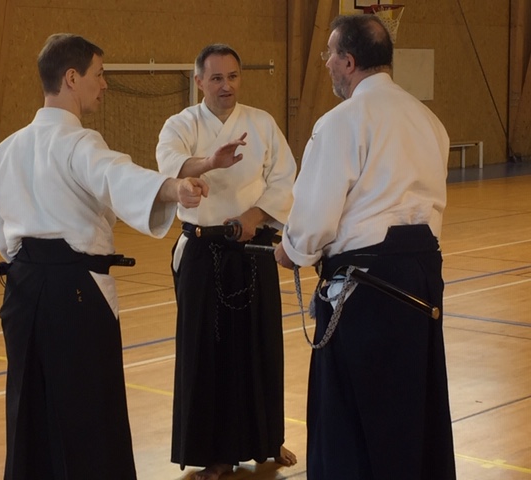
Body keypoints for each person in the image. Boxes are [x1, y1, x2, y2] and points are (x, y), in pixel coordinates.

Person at [0, 33, 222, 480]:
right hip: (75, 292)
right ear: (72, 78)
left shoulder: (1, 154)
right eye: (99, 74)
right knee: (89, 410)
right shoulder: (77, 143)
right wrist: (173, 188)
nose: (105, 84)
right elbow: (116, 176)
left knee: (29, 404)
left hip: (22, 290)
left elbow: (2, 236)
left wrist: (32, 269)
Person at [275, 14, 456, 480]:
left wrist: (291, 250)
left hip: (364, 288)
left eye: (330, 55)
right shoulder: (429, 121)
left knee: (351, 417)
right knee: (411, 406)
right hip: (422, 279)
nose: (327, 64)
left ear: (349, 61)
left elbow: (315, 215)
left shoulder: (341, 122)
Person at [156, 43, 298, 480]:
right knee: (208, 353)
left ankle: (266, 439)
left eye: (233, 76)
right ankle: (215, 452)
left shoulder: (262, 123)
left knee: (260, 346)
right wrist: (208, 163)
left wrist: (254, 217)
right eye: (216, 78)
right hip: (203, 251)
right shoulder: (181, 124)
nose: (226, 86)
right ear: (199, 81)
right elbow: (170, 165)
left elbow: (284, 179)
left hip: (252, 248)